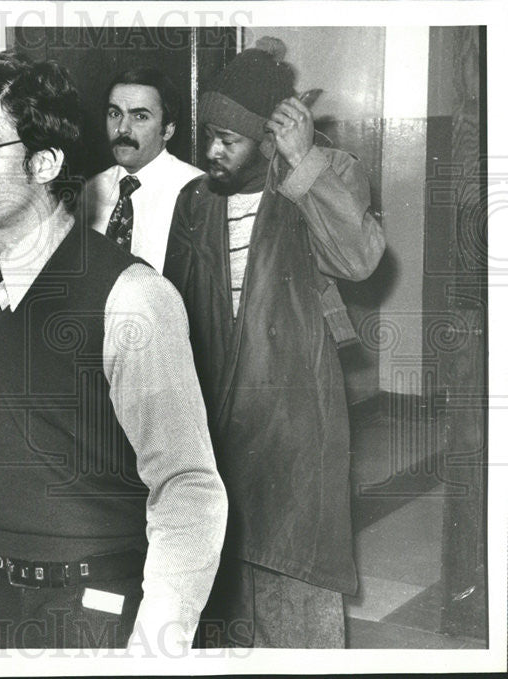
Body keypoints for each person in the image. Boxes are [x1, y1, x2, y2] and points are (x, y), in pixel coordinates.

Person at [0, 51, 227, 651]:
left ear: (45, 162)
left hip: (84, 605)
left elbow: (187, 487)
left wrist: (158, 644)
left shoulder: (132, 298)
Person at [162, 40, 386, 648]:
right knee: (218, 583)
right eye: (207, 133)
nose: (211, 150)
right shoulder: (194, 200)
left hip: (292, 414)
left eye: (228, 138)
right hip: (214, 414)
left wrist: (304, 159)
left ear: (267, 137)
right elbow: (173, 308)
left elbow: (361, 260)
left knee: (294, 575)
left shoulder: (325, 174)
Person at [84, 67, 203, 270]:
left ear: (168, 129)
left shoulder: (196, 192)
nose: (122, 128)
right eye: (114, 113)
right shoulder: (90, 190)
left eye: (140, 117)